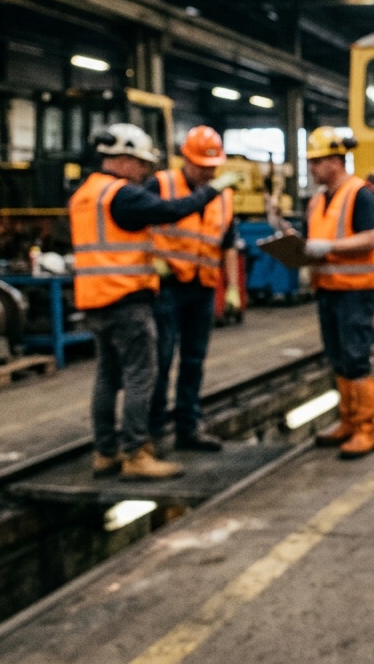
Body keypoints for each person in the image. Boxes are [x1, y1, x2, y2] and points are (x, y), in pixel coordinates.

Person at [70, 123, 241, 480]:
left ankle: (106, 451)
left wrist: (233, 288)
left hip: (97, 297)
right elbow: (172, 212)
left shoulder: (86, 193)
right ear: (122, 159)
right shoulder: (125, 193)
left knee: (107, 376)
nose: (145, 170)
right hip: (130, 296)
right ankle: (136, 451)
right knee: (142, 374)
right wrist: (211, 191)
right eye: (140, 162)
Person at [147, 126, 239, 452]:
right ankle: (152, 434)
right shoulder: (161, 185)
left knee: (194, 361)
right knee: (160, 361)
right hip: (168, 287)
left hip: (202, 288)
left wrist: (232, 289)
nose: (208, 173)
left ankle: (189, 428)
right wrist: (149, 262)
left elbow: (228, 244)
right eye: (202, 166)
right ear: (186, 159)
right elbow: (137, 224)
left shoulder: (224, 195)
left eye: (213, 167)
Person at [302, 127, 374, 458]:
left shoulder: (360, 194)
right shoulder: (316, 200)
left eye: (318, 160)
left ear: (337, 161)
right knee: (338, 358)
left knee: (356, 358)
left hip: (356, 292)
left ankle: (366, 429)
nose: (313, 168)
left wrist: (329, 247)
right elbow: (308, 239)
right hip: (328, 290)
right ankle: (349, 423)